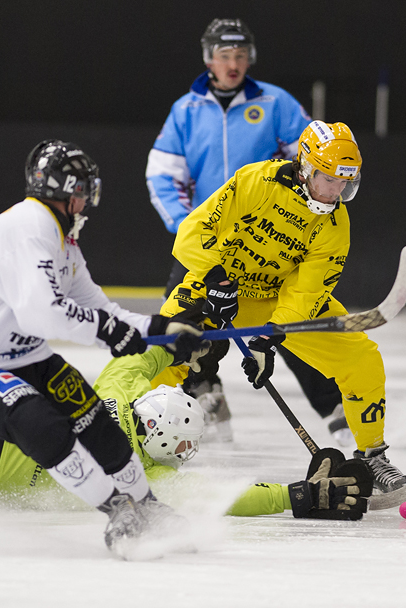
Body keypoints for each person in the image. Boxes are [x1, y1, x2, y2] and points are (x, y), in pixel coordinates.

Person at [154, 120, 406, 510]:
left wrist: (268, 337)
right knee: (162, 352)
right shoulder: (255, 182)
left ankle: (373, 458)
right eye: (329, 179)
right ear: (306, 167)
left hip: (274, 302)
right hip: (215, 284)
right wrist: (217, 280)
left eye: (346, 181)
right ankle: (124, 439)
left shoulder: (335, 224)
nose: (337, 191)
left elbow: (307, 291)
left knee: (361, 359)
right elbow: (194, 232)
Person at [0, 139, 206, 557]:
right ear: (63, 191)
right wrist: (111, 332)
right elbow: (41, 315)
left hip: (26, 355)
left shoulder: (62, 236)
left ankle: (147, 506)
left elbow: (98, 306)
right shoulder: (30, 228)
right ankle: (118, 508)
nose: (86, 200)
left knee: (95, 419)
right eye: (81, 191)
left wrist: (162, 328)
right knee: (41, 426)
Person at [145, 17, 351, 447]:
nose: (233, 63)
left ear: (250, 58)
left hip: (270, 243)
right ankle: (202, 396)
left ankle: (333, 406)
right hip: (212, 242)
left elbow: (313, 162)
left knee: (287, 321)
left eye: (240, 55)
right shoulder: (185, 110)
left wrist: (312, 209)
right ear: (209, 59)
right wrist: (184, 225)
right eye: (224, 56)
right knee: (180, 322)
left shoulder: (276, 104)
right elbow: (163, 174)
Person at [0, 347, 368, 520]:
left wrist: (184, 349)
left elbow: (140, 355)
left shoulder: (117, 391)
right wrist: (294, 495)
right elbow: (222, 497)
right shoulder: (143, 473)